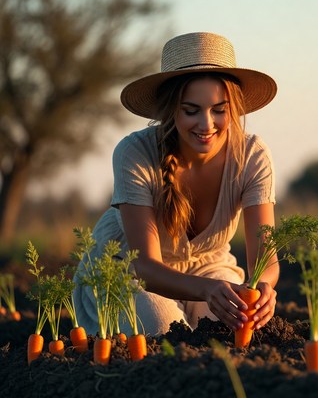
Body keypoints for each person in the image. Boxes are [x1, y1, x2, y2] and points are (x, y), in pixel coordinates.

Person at [73, 31, 279, 336]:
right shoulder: (135, 153)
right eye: (191, 110)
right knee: (161, 329)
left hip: (208, 269)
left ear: (233, 108)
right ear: (171, 109)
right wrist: (209, 290)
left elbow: (265, 258)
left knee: (234, 327)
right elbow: (146, 267)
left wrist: (263, 287)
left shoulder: (252, 155)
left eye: (219, 110)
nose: (206, 125)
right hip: (127, 271)